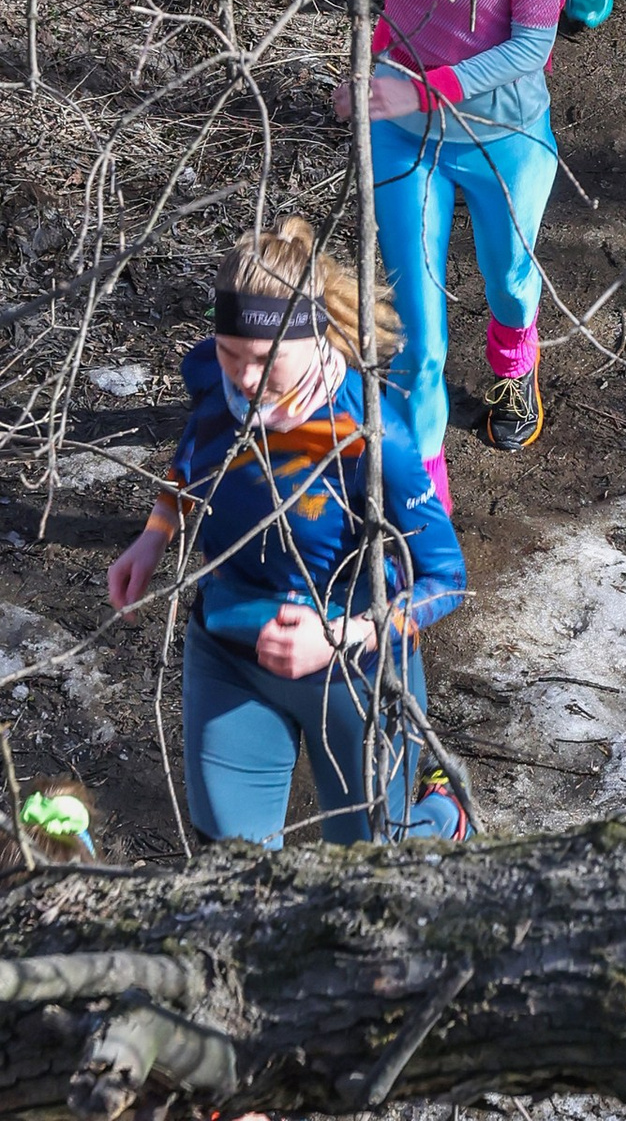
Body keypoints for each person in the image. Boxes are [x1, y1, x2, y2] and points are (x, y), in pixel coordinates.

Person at [107, 214, 465, 849]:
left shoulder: (376, 438)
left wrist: (345, 637)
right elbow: (194, 456)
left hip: (355, 674)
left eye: (264, 361)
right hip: (229, 653)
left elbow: (446, 580)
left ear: (316, 338)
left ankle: (443, 815)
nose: (244, 378)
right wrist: (155, 533)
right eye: (229, 353)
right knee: (231, 870)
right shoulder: (216, 389)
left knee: (370, 865)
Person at [346, 0, 572, 480]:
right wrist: (365, 67)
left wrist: (429, 86)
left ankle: (514, 362)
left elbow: (532, 46)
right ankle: (425, 507)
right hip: (405, 131)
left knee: (508, 280)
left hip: (502, 133)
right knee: (416, 330)